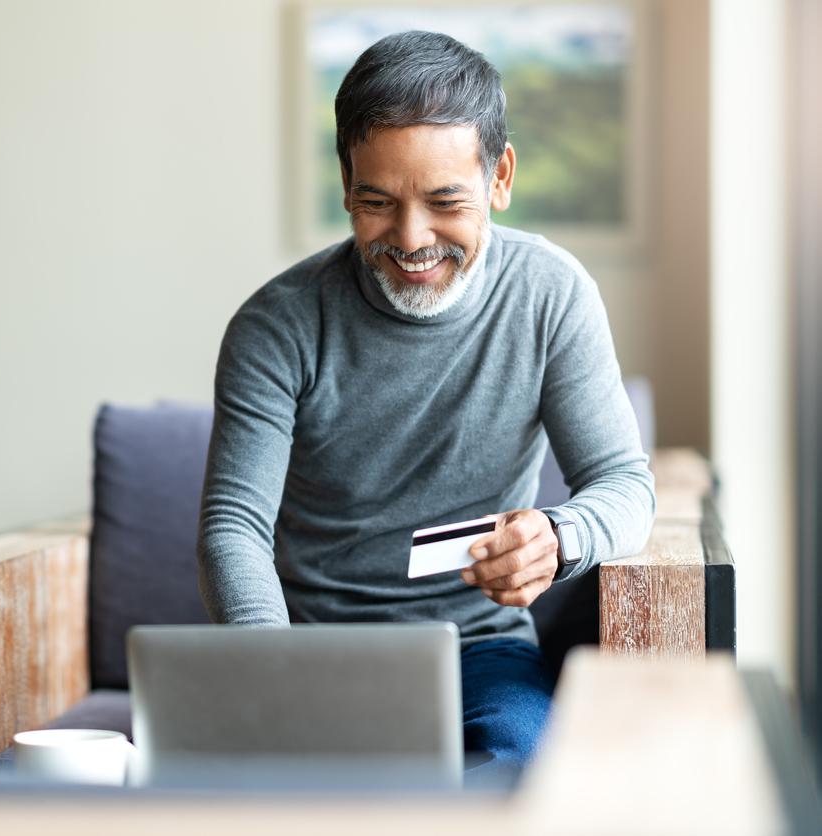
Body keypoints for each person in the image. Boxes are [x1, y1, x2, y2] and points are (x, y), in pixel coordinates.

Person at [196, 30, 655, 771]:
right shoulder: (275, 324)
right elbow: (233, 526)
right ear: (345, 184)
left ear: (498, 177)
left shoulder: (550, 294)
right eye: (376, 202)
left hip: (480, 651)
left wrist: (558, 538)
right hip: (306, 655)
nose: (410, 240)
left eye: (444, 202)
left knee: (519, 770)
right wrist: (269, 674)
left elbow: (625, 487)